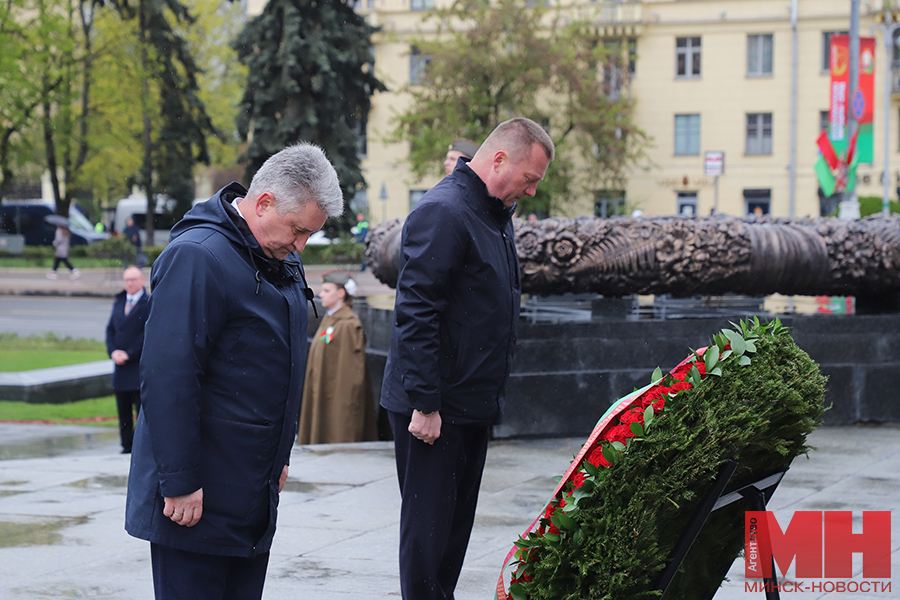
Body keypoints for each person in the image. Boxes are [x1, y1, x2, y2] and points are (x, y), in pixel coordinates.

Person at [125, 143, 343, 600]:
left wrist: (279, 457)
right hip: (196, 497)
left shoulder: (279, 255)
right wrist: (180, 481)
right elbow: (169, 375)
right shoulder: (198, 256)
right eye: (298, 230)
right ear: (263, 203)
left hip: (250, 489)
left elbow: (278, 365)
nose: (301, 245)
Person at [380, 117, 554, 600]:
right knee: (428, 536)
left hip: (469, 402)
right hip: (434, 407)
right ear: (499, 160)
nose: (532, 192)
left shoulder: (494, 214)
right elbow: (416, 313)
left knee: (452, 534)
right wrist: (425, 402)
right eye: (530, 179)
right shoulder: (444, 211)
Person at [297, 270, 378, 444]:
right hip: (323, 391)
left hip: (337, 399)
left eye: (327, 290)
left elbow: (350, 377)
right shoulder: (331, 318)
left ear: (341, 293)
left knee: (337, 433)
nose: (321, 294)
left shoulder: (348, 324)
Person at [105, 265, 149, 454]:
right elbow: (110, 330)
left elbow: (147, 333)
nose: (129, 283)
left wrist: (129, 354)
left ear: (142, 281)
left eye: (133, 279)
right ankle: (126, 445)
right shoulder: (119, 300)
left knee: (140, 411)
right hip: (120, 366)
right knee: (123, 411)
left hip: (137, 365)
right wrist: (113, 351)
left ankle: (140, 447)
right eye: (127, 280)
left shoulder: (149, 303)